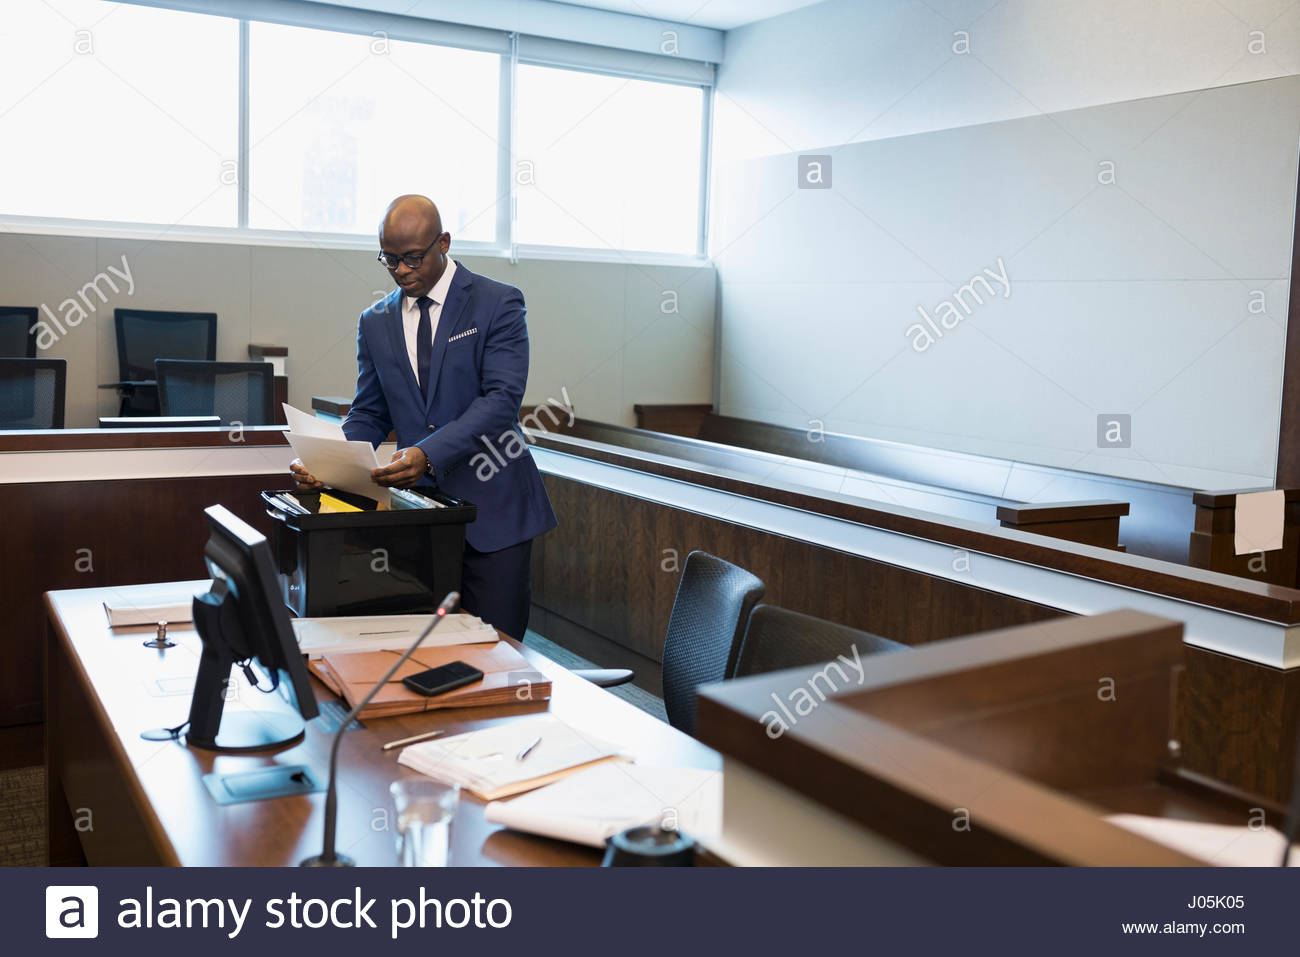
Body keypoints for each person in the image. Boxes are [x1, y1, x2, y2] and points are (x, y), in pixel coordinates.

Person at [291, 194, 556, 640]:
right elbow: (370, 412)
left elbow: (501, 400)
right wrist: (330, 461)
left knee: (496, 651)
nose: (401, 271)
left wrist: (427, 454)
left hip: (494, 511)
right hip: (422, 522)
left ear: (444, 243)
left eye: (413, 258)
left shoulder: (497, 302)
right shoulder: (375, 321)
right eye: (389, 260)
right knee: (427, 652)